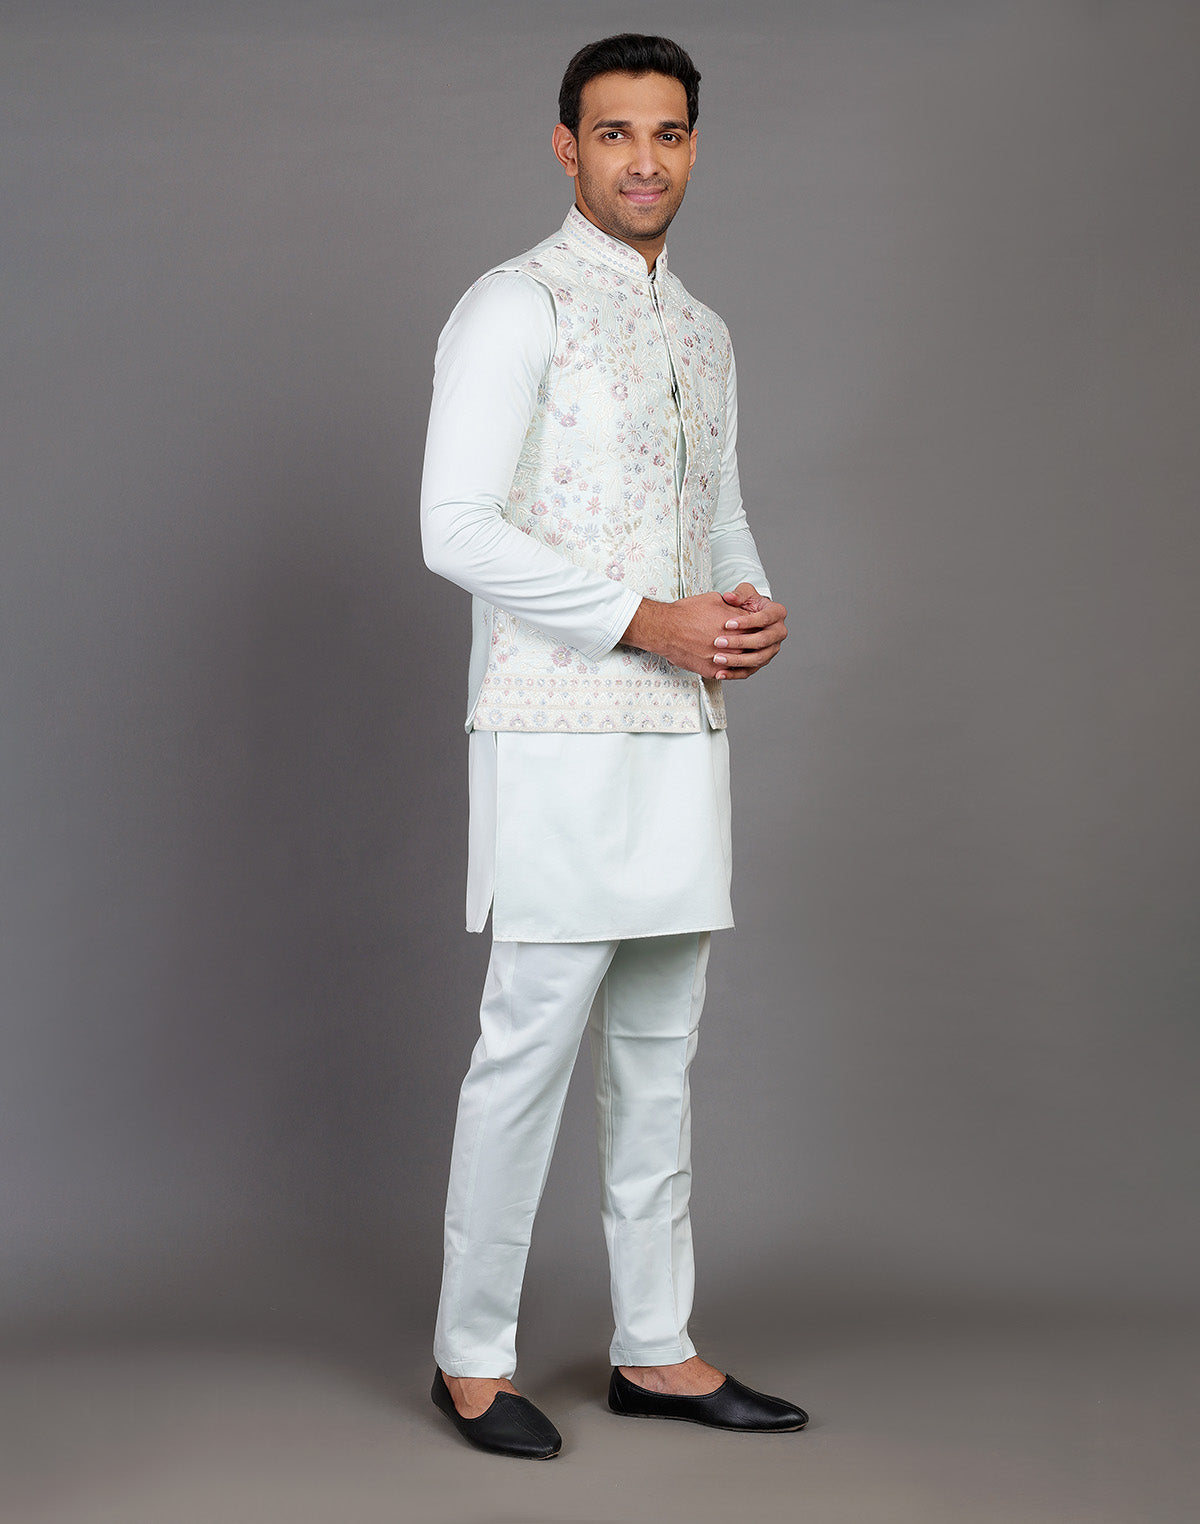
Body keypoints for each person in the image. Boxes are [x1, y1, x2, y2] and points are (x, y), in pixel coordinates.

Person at [420, 32, 805, 1458]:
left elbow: (717, 509)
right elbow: (452, 528)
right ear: (566, 146)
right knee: (527, 1049)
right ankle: (471, 1357)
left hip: (680, 728)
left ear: (694, 145)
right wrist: (650, 619)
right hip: (555, 725)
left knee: (660, 1048)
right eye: (615, 133)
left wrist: (747, 607)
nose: (645, 160)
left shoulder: (700, 329)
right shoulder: (513, 305)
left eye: (669, 133)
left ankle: (658, 1347)